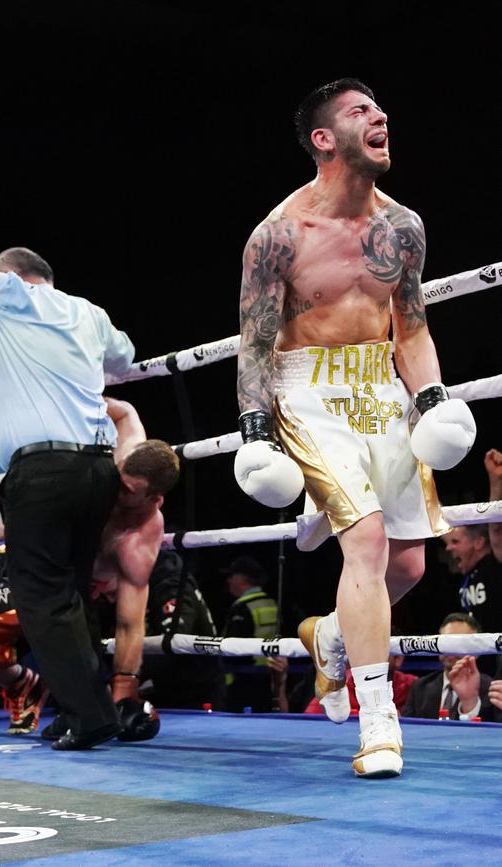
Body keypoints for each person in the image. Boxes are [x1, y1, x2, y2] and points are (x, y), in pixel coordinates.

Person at [234, 79, 476, 777]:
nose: (381, 117)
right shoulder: (278, 235)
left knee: (409, 562)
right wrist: (255, 429)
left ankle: (335, 637)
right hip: (306, 386)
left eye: (379, 108)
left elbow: (414, 327)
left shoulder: (402, 227)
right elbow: (254, 342)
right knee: (365, 539)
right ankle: (378, 720)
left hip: (379, 383)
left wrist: (430, 396)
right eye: (360, 111)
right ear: (323, 138)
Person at [0, 189, 136, 750]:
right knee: (71, 596)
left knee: (39, 597)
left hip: (43, 474)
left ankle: (89, 716)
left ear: (13, 275)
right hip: (95, 468)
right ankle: (81, 708)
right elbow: (123, 358)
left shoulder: (12, 294)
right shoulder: (89, 312)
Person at [0, 398, 180, 742]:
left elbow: (130, 620)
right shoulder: (125, 450)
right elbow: (125, 409)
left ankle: (21, 682)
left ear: (154, 499)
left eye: (128, 491)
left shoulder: (136, 540)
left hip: (51, 577)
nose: (115, 488)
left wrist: (124, 684)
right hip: (30, 546)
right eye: (120, 476)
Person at [133, 549, 227, 711]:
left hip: (192, 693)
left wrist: (129, 676)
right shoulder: (162, 584)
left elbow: (173, 641)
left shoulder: (171, 586)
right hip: (177, 687)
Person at [402, 613, 493, 720]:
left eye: (459, 643)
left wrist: (469, 703)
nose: (451, 649)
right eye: (445, 642)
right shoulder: (420, 687)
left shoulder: (490, 689)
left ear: (478, 651)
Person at [221, 555, 282, 712]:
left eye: (232, 576)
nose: (228, 581)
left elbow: (235, 649)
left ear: (243, 578)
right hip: (270, 676)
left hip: (242, 679)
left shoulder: (242, 607)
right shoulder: (272, 602)